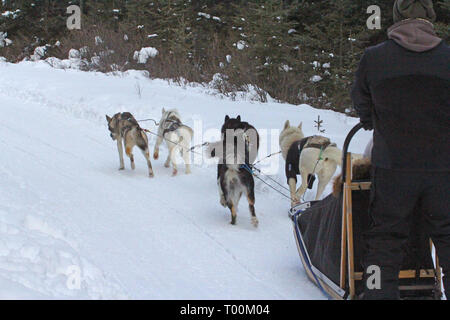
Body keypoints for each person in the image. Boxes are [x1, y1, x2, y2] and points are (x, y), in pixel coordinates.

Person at [351, 0, 449, 299]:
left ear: (395, 18)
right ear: (430, 19)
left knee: (384, 241)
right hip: (443, 168)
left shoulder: (375, 58)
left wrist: (374, 121)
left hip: (393, 166)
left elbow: (362, 103)